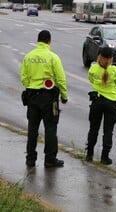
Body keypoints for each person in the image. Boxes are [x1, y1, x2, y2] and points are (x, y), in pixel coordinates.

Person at [20, 30, 68, 168]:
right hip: (49, 98)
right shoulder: (53, 57)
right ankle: (50, 159)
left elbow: (23, 76)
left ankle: (30, 159)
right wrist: (64, 96)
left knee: (32, 128)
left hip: (32, 97)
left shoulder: (28, 57)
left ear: (38, 40)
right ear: (49, 41)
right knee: (51, 128)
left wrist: (31, 87)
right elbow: (60, 79)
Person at [86, 47, 116, 165]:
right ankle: (104, 157)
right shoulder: (114, 70)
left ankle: (89, 154)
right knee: (108, 131)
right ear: (111, 58)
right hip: (111, 102)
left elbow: (91, 80)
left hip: (97, 101)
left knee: (93, 128)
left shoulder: (93, 68)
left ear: (99, 57)